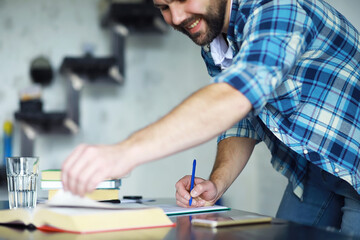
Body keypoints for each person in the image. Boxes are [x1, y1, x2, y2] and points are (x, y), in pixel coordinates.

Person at [62, 0, 360, 235]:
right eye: (163, 7)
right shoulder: (217, 42)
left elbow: (234, 96)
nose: (176, 17)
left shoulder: (279, 7)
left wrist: (124, 153)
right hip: (316, 170)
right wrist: (216, 184)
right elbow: (242, 118)